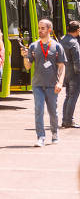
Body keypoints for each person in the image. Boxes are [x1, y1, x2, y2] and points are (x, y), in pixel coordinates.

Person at [21, 19, 66, 147]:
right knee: (39, 110)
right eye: (39, 28)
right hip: (37, 84)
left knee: (53, 112)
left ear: (49, 30)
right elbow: (28, 66)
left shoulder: (57, 46)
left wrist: (60, 82)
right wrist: (25, 56)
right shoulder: (33, 46)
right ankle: (40, 137)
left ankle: (55, 133)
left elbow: (62, 66)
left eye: (42, 28)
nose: (40, 30)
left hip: (52, 84)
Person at [61, 20, 80, 128]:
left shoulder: (62, 40)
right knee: (72, 97)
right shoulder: (74, 42)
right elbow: (77, 62)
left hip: (65, 73)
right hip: (74, 74)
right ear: (77, 30)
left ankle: (65, 120)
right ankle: (68, 121)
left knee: (68, 96)